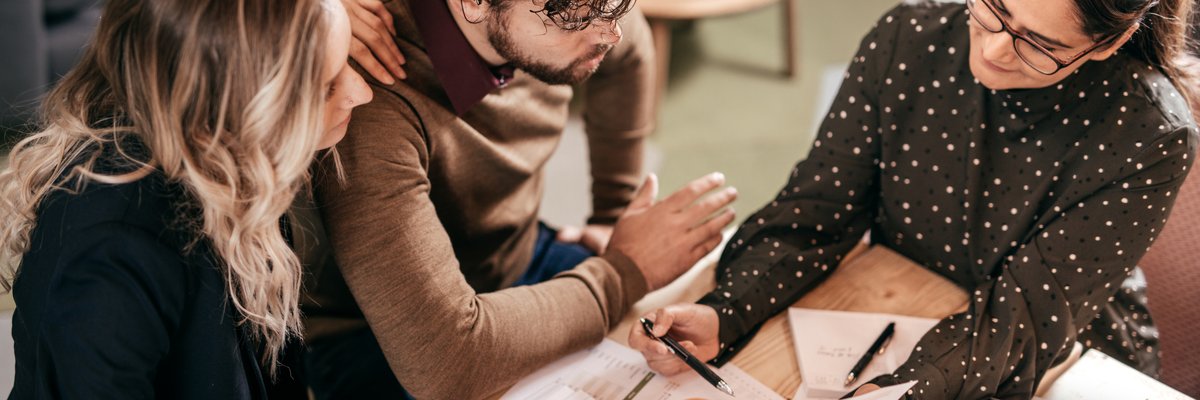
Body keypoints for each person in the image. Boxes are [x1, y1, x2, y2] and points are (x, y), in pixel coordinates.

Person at [629, 0, 1198, 398]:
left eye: (1039, 45)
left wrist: (903, 389)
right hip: (896, 297)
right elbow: (815, 211)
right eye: (996, 8)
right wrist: (726, 312)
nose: (997, 49)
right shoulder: (908, 38)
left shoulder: (1149, 135)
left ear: (1112, 40)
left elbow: (1022, 321)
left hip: (1056, 348)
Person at [294, 0, 738, 398]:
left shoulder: (585, 23)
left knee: (694, 333)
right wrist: (626, 270)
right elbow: (446, 363)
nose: (609, 30)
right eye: (574, 14)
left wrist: (613, 213)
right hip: (384, 339)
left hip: (511, 258)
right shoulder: (372, 99)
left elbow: (631, 43)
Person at [0, 0, 371, 397]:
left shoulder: (237, 168)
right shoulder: (115, 251)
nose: (361, 93)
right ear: (237, 103)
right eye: (327, 85)